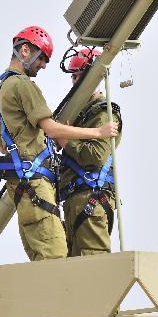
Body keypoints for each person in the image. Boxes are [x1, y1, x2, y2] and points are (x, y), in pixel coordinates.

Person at [0, 26, 118, 261]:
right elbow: (51, 128)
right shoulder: (22, 84)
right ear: (25, 50)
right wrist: (97, 132)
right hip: (35, 185)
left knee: (51, 260)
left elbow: (2, 144)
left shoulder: (0, 89)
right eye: (42, 58)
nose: (43, 65)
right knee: (57, 260)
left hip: (25, 186)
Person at [58, 47, 122, 256]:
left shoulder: (103, 113)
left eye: (80, 76)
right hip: (75, 199)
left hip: (91, 199)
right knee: (74, 269)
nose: (76, 81)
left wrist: (66, 140)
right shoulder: (80, 115)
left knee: (94, 264)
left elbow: (96, 155)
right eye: (73, 77)